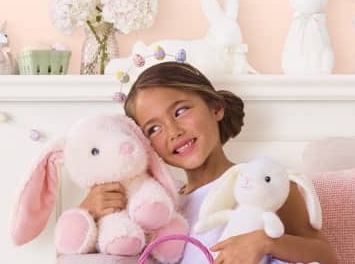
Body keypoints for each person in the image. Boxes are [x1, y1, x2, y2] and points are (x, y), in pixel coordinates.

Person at [81, 62, 337, 264]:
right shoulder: (159, 205)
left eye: (180, 111)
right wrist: (88, 211)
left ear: (215, 108)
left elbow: (326, 257)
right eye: (154, 128)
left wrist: (265, 242)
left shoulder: (261, 183)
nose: (173, 131)